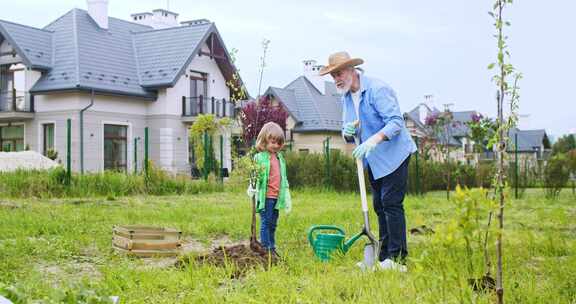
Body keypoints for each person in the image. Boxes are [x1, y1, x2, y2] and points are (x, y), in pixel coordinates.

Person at [320, 52, 416, 271]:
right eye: (333, 75)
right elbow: (348, 131)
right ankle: (383, 256)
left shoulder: (376, 89)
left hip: (394, 154)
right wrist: (346, 132)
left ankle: (398, 259)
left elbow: (395, 122)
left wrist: (373, 140)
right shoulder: (345, 97)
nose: (337, 78)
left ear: (352, 70)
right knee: (379, 205)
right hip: (373, 159)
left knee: (391, 203)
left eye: (340, 73)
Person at [247, 122, 292, 257]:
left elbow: (283, 178)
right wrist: (252, 187)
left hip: (277, 197)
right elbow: (254, 175)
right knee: (265, 223)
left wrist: (287, 195)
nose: (276, 146)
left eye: (279, 143)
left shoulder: (280, 158)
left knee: (273, 224)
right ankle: (266, 248)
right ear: (264, 140)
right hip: (265, 197)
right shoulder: (259, 157)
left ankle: (272, 247)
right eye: (273, 142)